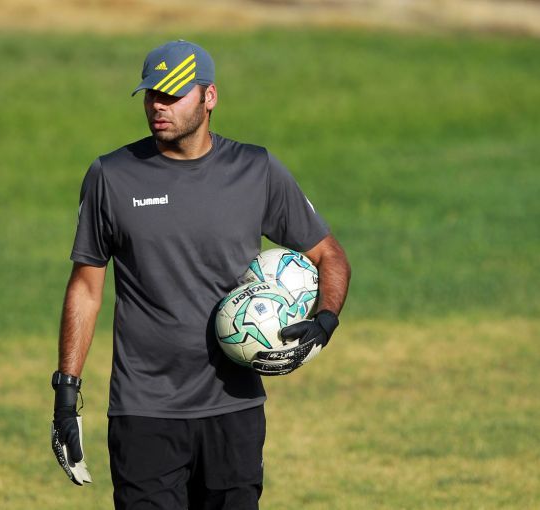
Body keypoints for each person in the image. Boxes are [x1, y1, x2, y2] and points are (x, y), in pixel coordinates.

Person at [51, 40, 351, 509]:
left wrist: (325, 321)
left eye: (172, 94)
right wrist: (66, 394)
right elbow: (86, 289)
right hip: (144, 412)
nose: (158, 106)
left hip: (234, 409)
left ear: (209, 97)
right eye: (152, 94)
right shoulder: (111, 176)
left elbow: (329, 255)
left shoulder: (255, 170)